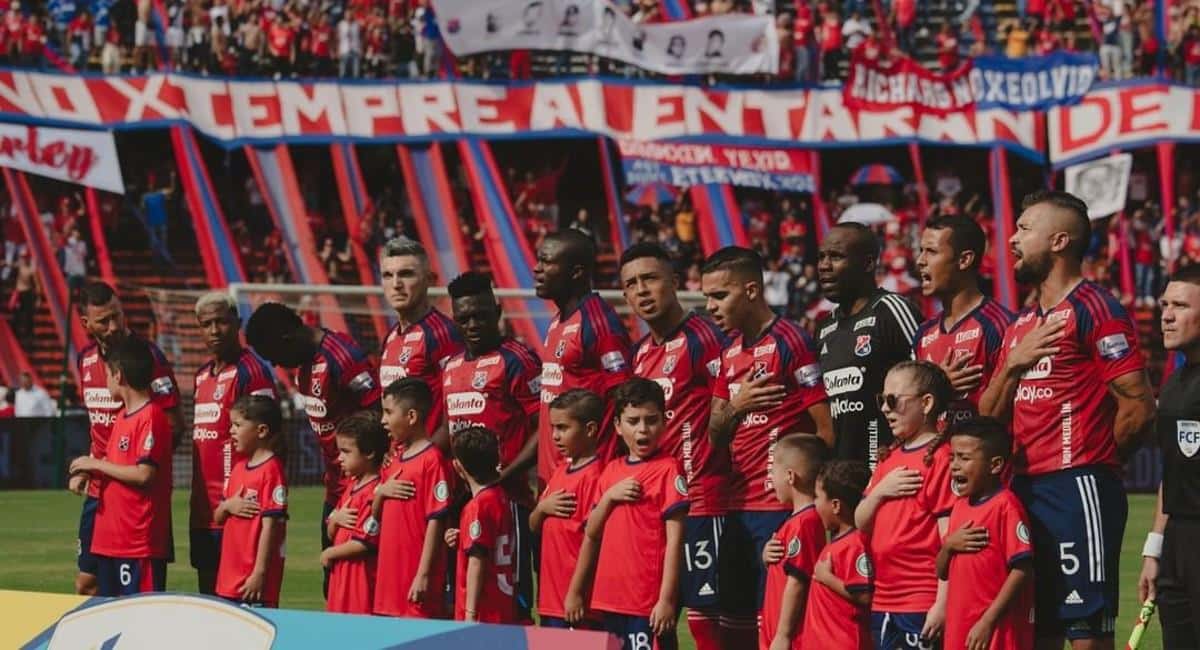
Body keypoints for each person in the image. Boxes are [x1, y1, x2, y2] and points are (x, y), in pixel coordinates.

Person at [979, 190, 1155, 650]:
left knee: (1086, 633)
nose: (1012, 239)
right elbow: (988, 419)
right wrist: (1014, 365)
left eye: (1023, 228)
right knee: (1036, 630)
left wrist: (1093, 464)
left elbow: (1137, 405)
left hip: (1076, 488)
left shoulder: (1094, 307)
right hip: (1020, 491)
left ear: (1059, 241)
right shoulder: (1020, 325)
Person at [702, 245, 832, 647]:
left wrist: (807, 508)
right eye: (707, 296)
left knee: (778, 623)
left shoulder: (792, 341)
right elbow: (715, 435)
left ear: (752, 290)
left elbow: (826, 432)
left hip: (779, 511)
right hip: (736, 506)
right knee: (734, 624)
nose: (710, 306)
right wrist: (738, 406)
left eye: (720, 295)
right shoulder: (727, 355)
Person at [621, 242, 731, 650]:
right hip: (655, 509)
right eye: (631, 284)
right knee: (654, 620)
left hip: (704, 502)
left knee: (707, 624)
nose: (642, 291)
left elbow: (729, 410)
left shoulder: (706, 337)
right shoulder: (639, 355)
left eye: (650, 278)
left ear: (675, 281)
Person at [245, 301, 381, 588]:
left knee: (357, 581)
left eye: (275, 356)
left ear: (287, 338)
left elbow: (379, 414)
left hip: (360, 492)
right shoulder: (304, 366)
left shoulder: (341, 355)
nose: (278, 365)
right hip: (334, 489)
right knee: (331, 582)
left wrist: (368, 487)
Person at [70, 281, 182, 596]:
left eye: (118, 315)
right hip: (99, 488)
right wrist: (88, 468)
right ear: (86, 324)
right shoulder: (86, 360)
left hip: (133, 494)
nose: (115, 325)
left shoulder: (147, 357)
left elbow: (172, 425)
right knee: (87, 582)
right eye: (104, 320)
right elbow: (98, 426)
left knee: (137, 592)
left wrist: (140, 475)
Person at [442, 271, 541, 618]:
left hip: (507, 502)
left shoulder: (517, 359)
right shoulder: (451, 367)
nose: (472, 324)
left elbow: (543, 425)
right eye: (464, 318)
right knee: (467, 597)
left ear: (497, 312)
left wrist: (506, 475)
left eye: (481, 315)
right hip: (463, 501)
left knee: (509, 601)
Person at [564, 378, 688, 650]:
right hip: (607, 600)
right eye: (633, 421)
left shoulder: (669, 469)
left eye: (651, 420)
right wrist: (609, 497)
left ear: (664, 422)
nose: (643, 429)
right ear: (618, 426)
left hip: (646, 603)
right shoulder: (610, 471)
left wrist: (667, 599)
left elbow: (675, 542)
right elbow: (592, 532)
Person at [855, 361, 956, 649]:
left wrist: (942, 603)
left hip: (921, 598)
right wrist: (879, 493)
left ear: (926, 403)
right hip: (884, 598)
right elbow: (861, 521)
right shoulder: (888, 458)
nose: (885, 408)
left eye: (893, 400)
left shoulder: (942, 459)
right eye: (881, 400)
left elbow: (948, 539)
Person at [815, 222, 923, 467]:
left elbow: (928, 382)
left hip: (888, 468)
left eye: (836, 256)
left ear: (868, 263)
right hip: (841, 477)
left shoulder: (892, 310)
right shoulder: (823, 328)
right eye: (821, 257)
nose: (824, 266)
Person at [190, 291, 277, 595]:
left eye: (221, 322)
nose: (214, 331)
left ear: (237, 323)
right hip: (203, 509)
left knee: (237, 601)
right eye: (206, 324)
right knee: (207, 597)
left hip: (238, 508)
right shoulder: (201, 377)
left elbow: (273, 439)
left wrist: (259, 496)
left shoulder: (251, 372)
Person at [534, 230, 632, 487]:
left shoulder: (600, 323)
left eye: (546, 262)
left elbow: (623, 397)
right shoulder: (558, 321)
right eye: (538, 260)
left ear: (576, 272)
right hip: (553, 476)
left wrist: (601, 474)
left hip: (585, 480)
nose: (537, 269)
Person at [1138, 265, 1200, 648]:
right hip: (1176, 544)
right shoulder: (1175, 385)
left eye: (1180, 305)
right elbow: (1171, 472)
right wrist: (1153, 550)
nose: (1166, 315)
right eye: (1164, 304)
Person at [938, 417, 1035, 650]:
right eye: (952, 457)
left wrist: (987, 621)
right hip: (959, 629)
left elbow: (1022, 569)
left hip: (994, 631)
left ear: (995, 465)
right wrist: (948, 546)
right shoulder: (959, 506)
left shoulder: (1006, 506)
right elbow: (942, 572)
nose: (954, 465)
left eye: (964, 458)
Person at [913, 216, 1015, 425]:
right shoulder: (923, 333)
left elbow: (1007, 411)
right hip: (937, 456)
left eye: (931, 252)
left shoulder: (1000, 325)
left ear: (964, 260)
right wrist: (940, 387)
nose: (920, 261)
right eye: (921, 250)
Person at [371, 378, 454, 619]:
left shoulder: (432, 460)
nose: (383, 420)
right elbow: (377, 518)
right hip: (388, 581)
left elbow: (436, 522)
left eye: (388, 412)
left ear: (411, 416)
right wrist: (380, 492)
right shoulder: (393, 459)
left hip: (415, 581)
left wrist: (424, 574)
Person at [377, 237, 463, 444]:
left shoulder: (442, 333)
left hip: (428, 465)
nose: (396, 284)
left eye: (406, 274)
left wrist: (427, 457)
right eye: (388, 275)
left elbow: (458, 408)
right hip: (400, 461)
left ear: (429, 280)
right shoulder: (391, 337)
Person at [532, 389, 605, 629]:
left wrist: (575, 593)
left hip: (577, 602)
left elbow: (592, 540)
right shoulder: (561, 470)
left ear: (590, 430)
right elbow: (533, 526)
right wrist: (542, 509)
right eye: (553, 427)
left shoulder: (596, 477)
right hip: (550, 599)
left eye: (563, 428)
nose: (555, 436)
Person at [214, 395, 288, 608]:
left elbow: (270, 527)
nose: (231, 431)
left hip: (252, 582)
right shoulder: (238, 468)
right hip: (228, 579)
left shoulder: (271, 470)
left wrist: (259, 573)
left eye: (237, 425)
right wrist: (228, 506)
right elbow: (218, 518)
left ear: (261, 431)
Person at [758, 435, 830, 650]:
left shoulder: (806, 522)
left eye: (773, 472)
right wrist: (767, 557)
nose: (771, 481)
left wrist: (783, 635)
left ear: (790, 476)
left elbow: (797, 581)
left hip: (792, 638)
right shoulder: (795, 521)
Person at [799, 460, 874, 649]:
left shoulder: (855, 544)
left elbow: (865, 596)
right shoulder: (837, 541)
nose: (814, 503)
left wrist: (827, 578)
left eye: (817, 497)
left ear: (835, 505)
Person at [446, 426, 518, 623]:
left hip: (484, 611)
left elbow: (477, 560)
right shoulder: (499, 496)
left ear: (458, 467)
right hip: (502, 604)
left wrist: (470, 614)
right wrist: (463, 537)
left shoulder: (477, 506)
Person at [322, 411, 388, 614]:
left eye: (346, 452)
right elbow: (332, 531)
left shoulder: (375, 490)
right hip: (341, 576)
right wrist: (335, 521)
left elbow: (365, 541)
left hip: (360, 579)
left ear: (369, 453)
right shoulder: (352, 486)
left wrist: (330, 552)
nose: (339, 458)